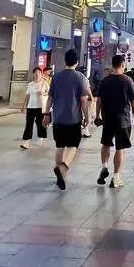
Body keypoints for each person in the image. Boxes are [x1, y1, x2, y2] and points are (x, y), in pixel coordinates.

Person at [42, 49, 90, 191]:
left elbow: (50, 98)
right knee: (73, 146)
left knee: (60, 146)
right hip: (73, 119)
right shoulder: (80, 77)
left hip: (58, 118)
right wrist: (87, 116)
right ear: (77, 62)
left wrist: (46, 114)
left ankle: (60, 175)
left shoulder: (56, 77)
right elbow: (83, 100)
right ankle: (63, 168)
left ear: (65, 60)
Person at [95, 54, 134, 188]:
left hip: (107, 118)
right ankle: (116, 178)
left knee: (106, 144)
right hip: (123, 120)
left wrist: (97, 115)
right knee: (120, 148)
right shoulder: (127, 81)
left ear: (112, 65)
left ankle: (104, 167)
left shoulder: (105, 81)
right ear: (123, 65)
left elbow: (99, 100)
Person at [20, 67, 49, 149]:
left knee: (40, 124)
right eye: (35, 73)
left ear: (41, 74)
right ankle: (26, 142)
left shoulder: (44, 83)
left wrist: (43, 93)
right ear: (33, 74)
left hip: (40, 107)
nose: (37, 74)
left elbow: (50, 93)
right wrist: (23, 106)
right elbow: (27, 95)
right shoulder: (30, 84)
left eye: (39, 73)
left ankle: (40, 137)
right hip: (30, 107)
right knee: (28, 124)